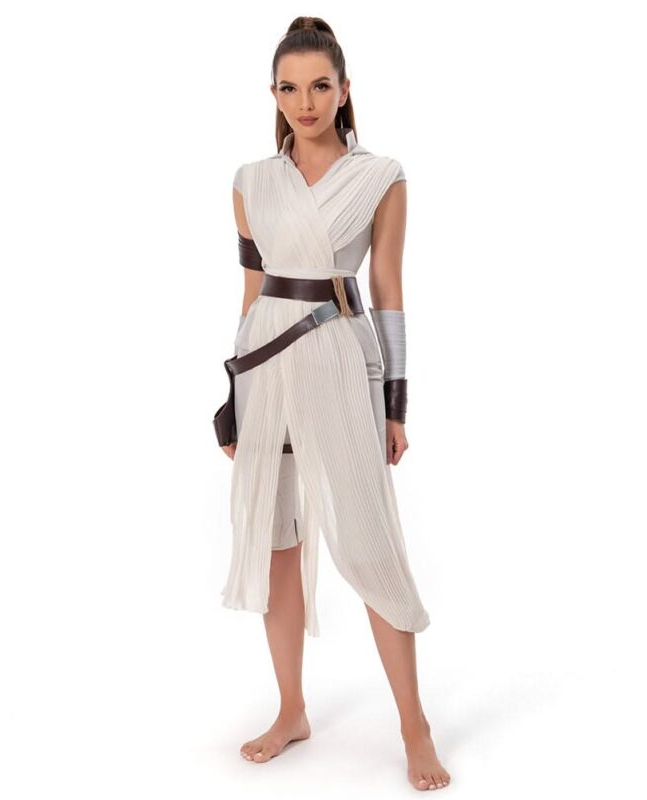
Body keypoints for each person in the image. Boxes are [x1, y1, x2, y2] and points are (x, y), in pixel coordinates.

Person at [219, 16, 451, 791]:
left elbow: (387, 291)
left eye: (320, 85)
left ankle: (413, 724)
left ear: (345, 89)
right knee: (277, 541)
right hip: (266, 366)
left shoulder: (381, 176)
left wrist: (396, 403)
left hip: (341, 360)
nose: (305, 102)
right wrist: (232, 395)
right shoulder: (250, 182)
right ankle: (291, 709)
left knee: (371, 543)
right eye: (289, 88)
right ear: (273, 94)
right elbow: (253, 294)